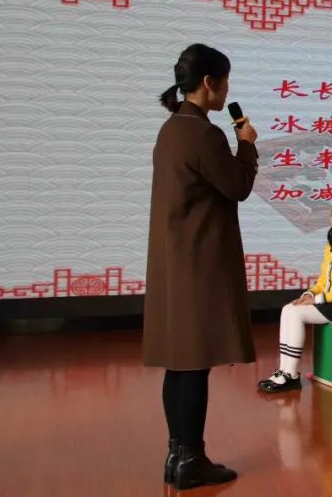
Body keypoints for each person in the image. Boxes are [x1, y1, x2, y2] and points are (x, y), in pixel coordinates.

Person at [143, 44, 258, 490]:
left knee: (180, 364)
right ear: (209, 82)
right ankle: (191, 461)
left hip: (177, 261)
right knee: (194, 364)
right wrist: (246, 145)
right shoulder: (204, 133)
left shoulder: (172, 128)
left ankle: (178, 455)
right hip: (200, 262)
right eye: (225, 81)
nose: (227, 90)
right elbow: (237, 186)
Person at [258, 197, 332, 393]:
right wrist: (309, 294)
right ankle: (283, 371)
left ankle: (291, 375)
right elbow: (323, 280)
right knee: (289, 308)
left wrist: (318, 299)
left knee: (296, 314)